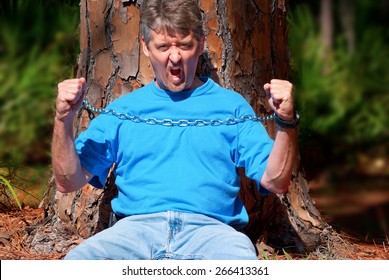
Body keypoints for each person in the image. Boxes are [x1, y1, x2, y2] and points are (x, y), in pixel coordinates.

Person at [52, 0, 298, 260]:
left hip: (213, 236)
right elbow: (68, 181)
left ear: (201, 44)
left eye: (184, 45)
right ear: (146, 47)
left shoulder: (231, 106)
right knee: (77, 264)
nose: (175, 56)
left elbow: (276, 180)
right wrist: (63, 120)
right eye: (163, 46)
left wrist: (286, 121)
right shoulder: (124, 110)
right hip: (134, 233)